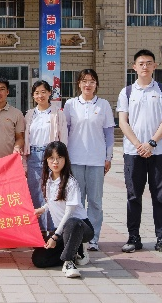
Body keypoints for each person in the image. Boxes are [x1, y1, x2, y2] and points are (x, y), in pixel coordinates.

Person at [117, 49, 162, 256]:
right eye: (141, 63)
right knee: (133, 196)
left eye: (149, 63)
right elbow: (123, 122)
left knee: (160, 196)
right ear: (134, 67)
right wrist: (138, 145)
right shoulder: (126, 92)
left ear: (155, 66)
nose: (145, 66)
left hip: (159, 153)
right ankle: (133, 237)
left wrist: (151, 143)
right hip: (133, 153)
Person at [64, 69, 114, 252]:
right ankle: (76, 237)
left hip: (96, 160)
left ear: (96, 84)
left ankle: (93, 238)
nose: (88, 85)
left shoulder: (103, 105)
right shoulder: (70, 104)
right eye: (84, 81)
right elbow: (65, 131)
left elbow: (109, 133)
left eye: (92, 81)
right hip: (74, 159)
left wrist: (108, 156)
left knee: (95, 202)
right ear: (79, 83)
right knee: (76, 201)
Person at [31, 141, 94, 279]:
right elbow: (54, 201)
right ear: (46, 160)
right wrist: (43, 209)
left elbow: (68, 213)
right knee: (39, 259)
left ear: (65, 159)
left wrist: (55, 236)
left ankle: (69, 262)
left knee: (72, 222)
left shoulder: (71, 182)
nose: (55, 162)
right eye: (51, 158)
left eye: (59, 157)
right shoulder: (48, 179)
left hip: (80, 227)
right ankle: (75, 250)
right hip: (63, 230)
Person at [24, 79, 67, 236]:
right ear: (33, 96)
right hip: (33, 155)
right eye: (36, 93)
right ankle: (39, 230)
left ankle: (53, 229)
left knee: (51, 191)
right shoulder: (29, 114)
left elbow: (63, 137)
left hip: (51, 155)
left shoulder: (57, 113)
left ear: (49, 93)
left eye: (43, 92)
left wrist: (61, 158)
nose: (40, 96)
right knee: (35, 192)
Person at [0, 76, 25, 162]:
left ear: (7, 92)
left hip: (9, 162)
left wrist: (17, 147)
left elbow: (20, 138)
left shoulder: (17, 114)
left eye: (2, 89)